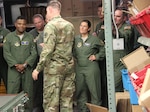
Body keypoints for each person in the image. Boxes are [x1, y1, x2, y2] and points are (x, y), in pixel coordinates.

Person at [32, 0, 75, 112]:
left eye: (47, 12)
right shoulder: (69, 25)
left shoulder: (50, 26)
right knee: (67, 102)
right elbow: (69, 46)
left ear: (50, 10)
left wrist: (38, 69)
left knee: (51, 103)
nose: (47, 15)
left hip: (54, 69)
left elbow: (48, 50)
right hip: (68, 67)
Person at [3, 16, 37, 111]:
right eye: (19, 24)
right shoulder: (9, 37)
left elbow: (33, 53)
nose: (21, 26)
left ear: (26, 25)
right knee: (12, 92)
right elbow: (6, 53)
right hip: (13, 70)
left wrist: (25, 64)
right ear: (15, 24)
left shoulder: (30, 37)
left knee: (28, 92)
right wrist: (16, 65)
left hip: (27, 69)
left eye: (23, 24)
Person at [73, 19, 105, 112]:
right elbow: (73, 51)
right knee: (81, 90)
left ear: (89, 28)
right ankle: (83, 109)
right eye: (81, 26)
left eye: (84, 26)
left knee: (94, 90)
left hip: (91, 67)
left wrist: (97, 56)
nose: (82, 28)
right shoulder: (76, 39)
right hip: (79, 67)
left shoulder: (94, 39)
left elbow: (103, 49)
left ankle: (96, 109)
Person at [113, 8, 134, 91]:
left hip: (121, 62)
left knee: (114, 85)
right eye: (114, 16)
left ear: (124, 18)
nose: (115, 18)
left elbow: (125, 37)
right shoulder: (111, 27)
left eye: (118, 16)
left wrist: (114, 31)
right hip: (112, 61)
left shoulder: (127, 27)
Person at [29, 14, 45, 112]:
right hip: (36, 62)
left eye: (39, 22)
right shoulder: (31, 34)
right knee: (37, 84)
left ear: (43, 21)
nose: (38, 25)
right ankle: (37, 105)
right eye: (35, 23)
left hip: (47, 62)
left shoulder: (49, 30)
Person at [93, 3, 108, 108]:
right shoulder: (98, 25)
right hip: (100, 58)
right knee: (101, 81)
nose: (99, 13)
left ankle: (108, 104)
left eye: (101, 11)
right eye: (98, 11)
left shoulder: (110, 24)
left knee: (108, 81)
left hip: (108, 57)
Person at [0, 15, 10, 91]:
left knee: (8, 83)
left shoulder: (6, 32)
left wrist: (3, 44)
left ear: (1, 20)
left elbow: (10, 45)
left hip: (4, 61)